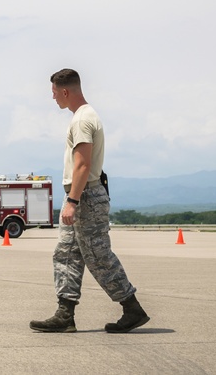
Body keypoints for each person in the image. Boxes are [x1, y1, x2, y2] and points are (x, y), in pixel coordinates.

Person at [29, 68, 150, 334]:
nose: (53, 99)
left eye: (53, 93)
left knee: (98, 256)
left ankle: (132, 308)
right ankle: (65, 315)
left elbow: (82, 165)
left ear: (64, 91)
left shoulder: (83, 119)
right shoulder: (81, 117)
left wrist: (72, 201)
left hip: (85, 196)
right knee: (66, 254)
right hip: (80, 194)